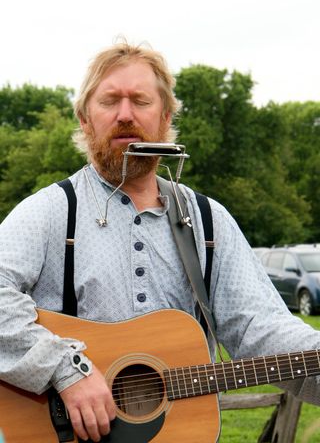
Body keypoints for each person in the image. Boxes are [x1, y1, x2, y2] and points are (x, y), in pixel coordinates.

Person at [0, 41, 320, 442]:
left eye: (140, 101)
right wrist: (66, 370)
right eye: (110, 101)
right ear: (85, 119)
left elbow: (263, 328)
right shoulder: (49, 211)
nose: (125, 114)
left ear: (165, 117)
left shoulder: (207, 220)